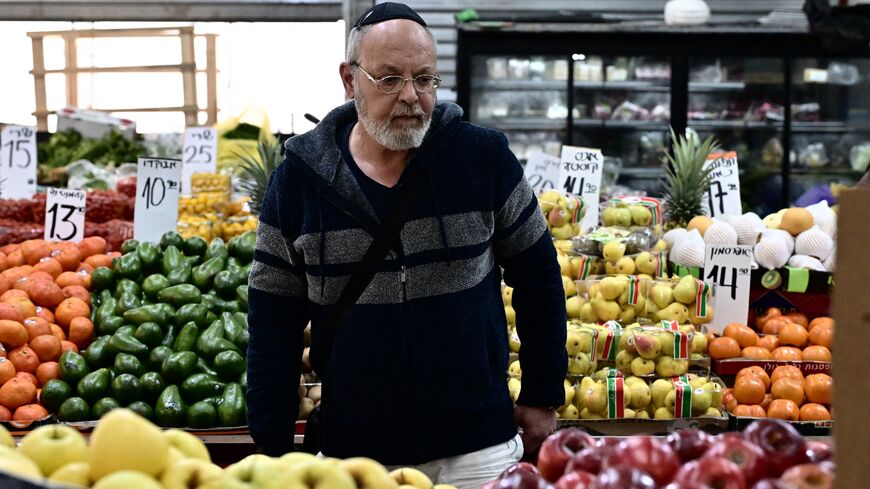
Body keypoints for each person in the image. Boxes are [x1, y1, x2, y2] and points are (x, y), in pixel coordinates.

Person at [246, 3, 567, 487]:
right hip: (355, 456)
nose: (411, 97)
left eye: (425, 79)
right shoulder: (298, 183)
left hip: (477, 448)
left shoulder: (482, 159)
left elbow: (538, 274)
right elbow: (273, 320)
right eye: (390, 79)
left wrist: (542, 392)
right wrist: (270, 446)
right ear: (350, 80)